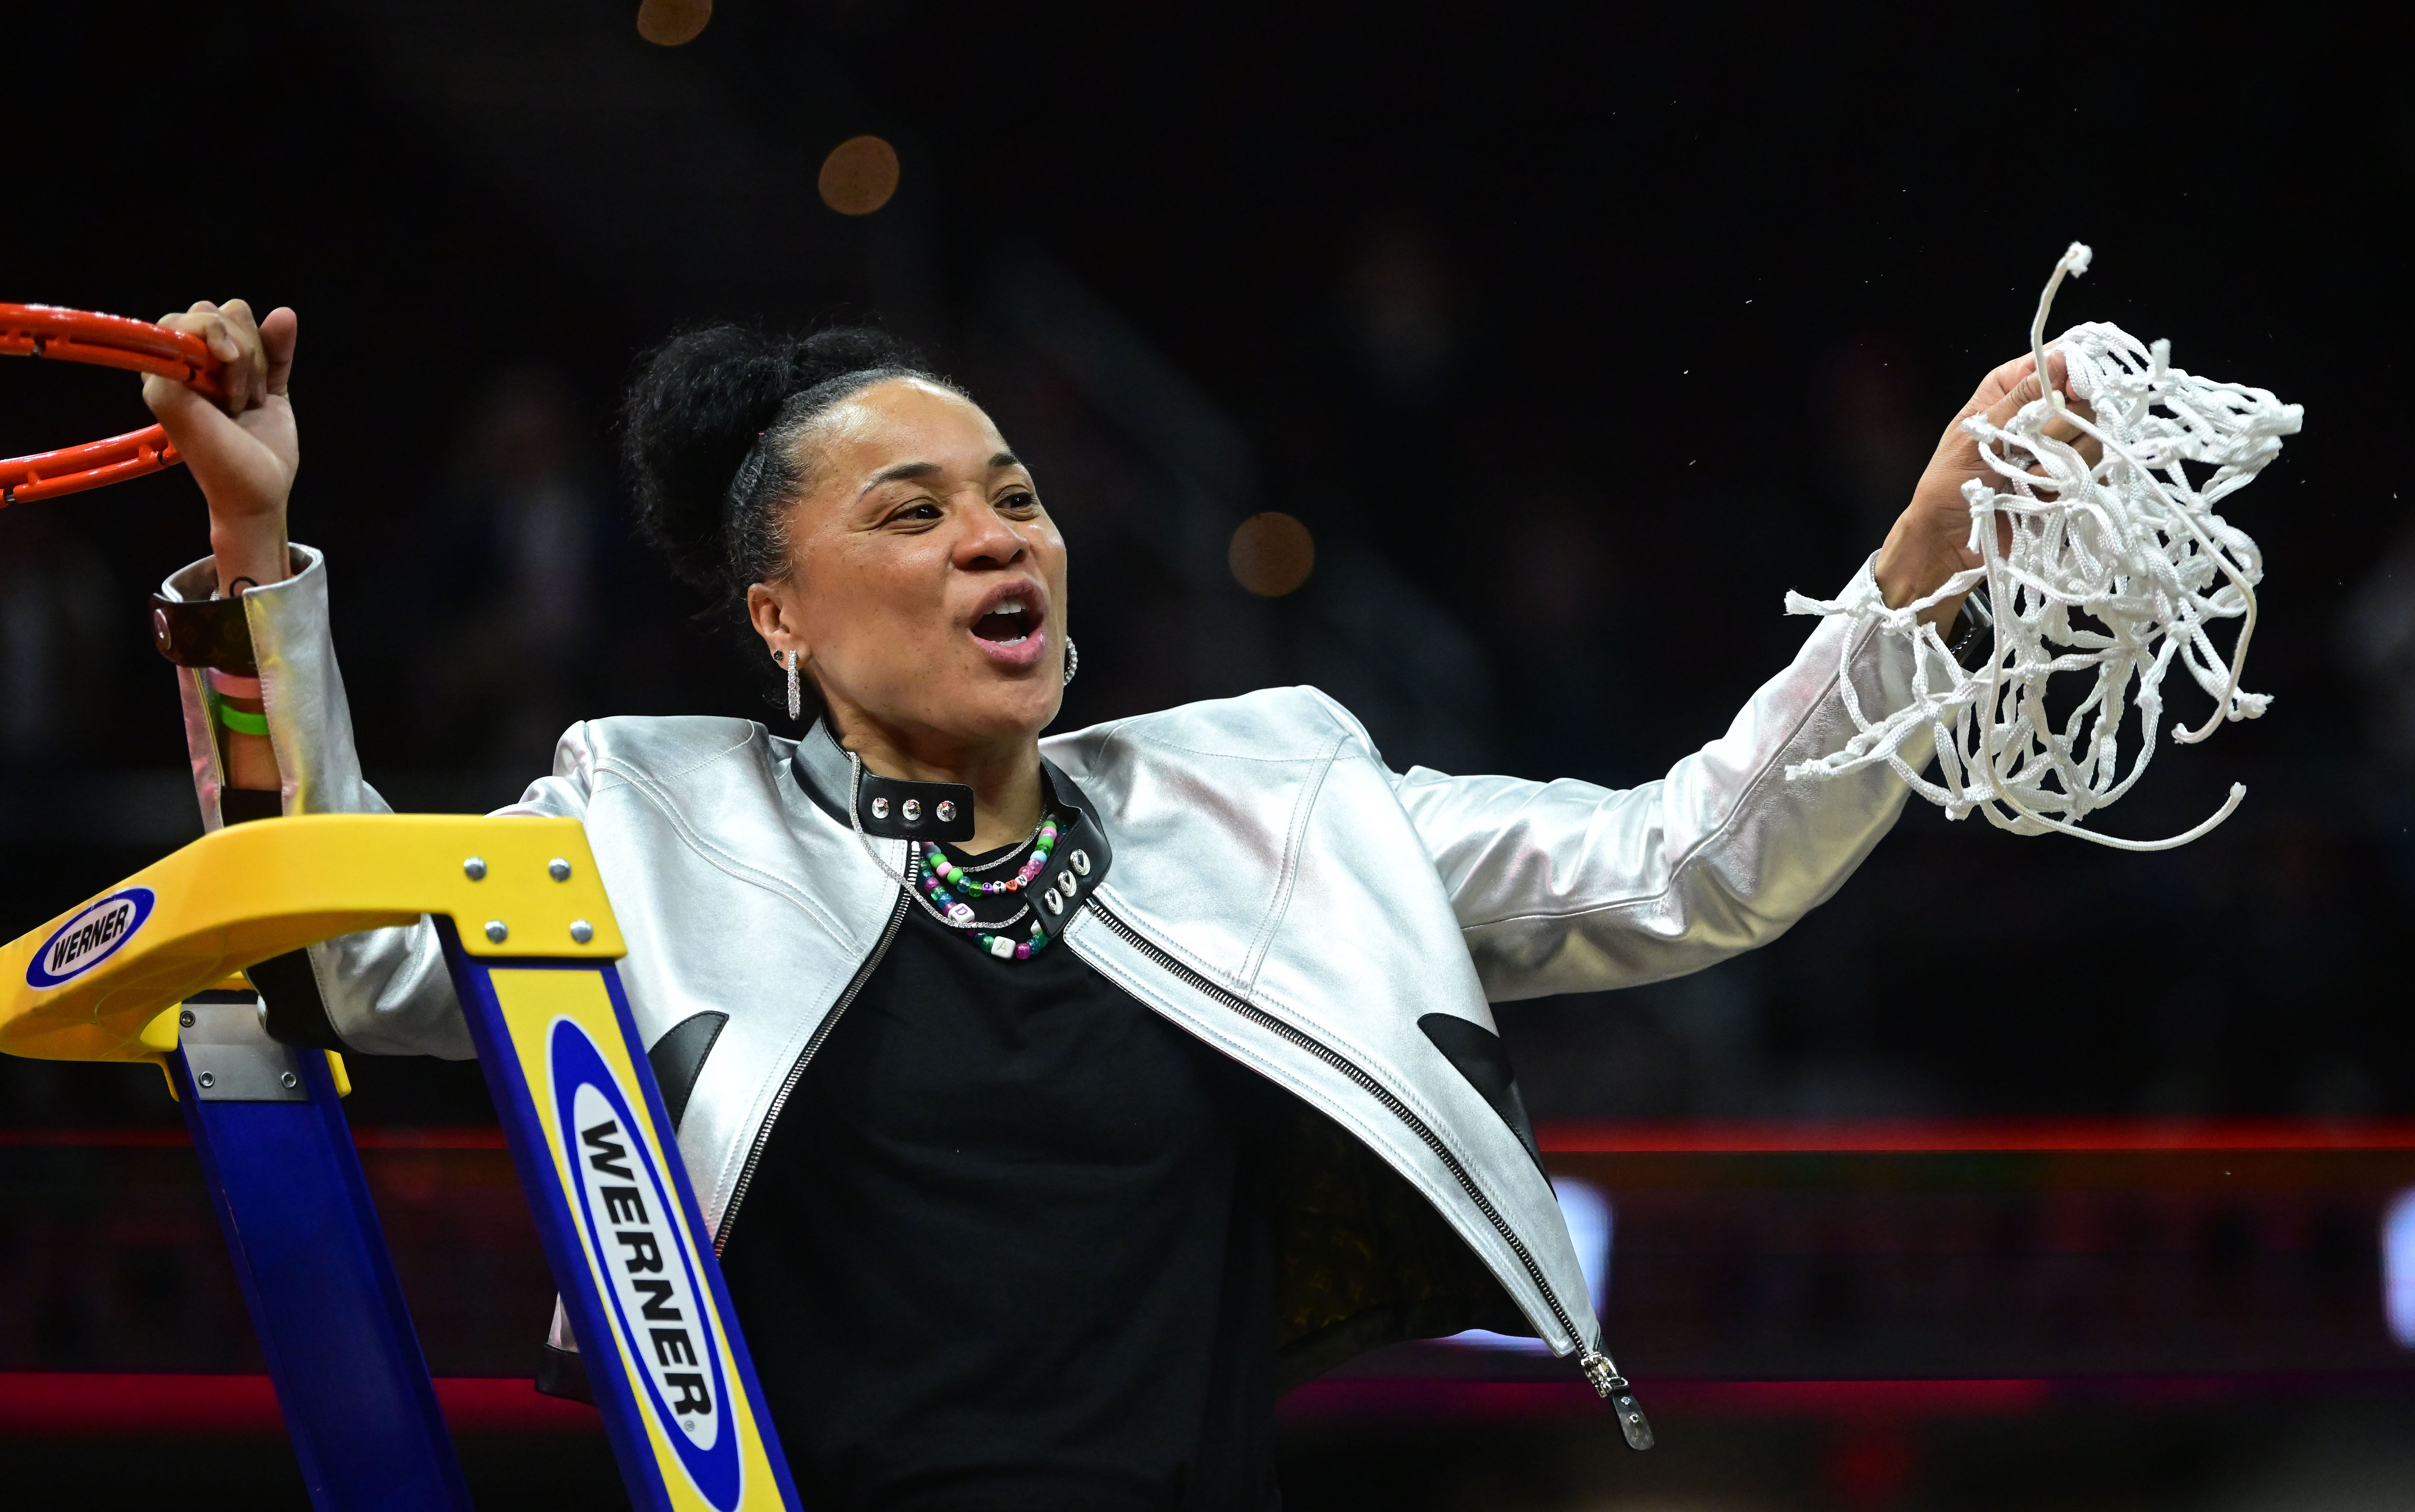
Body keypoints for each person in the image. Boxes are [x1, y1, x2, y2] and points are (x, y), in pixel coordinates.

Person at [139, 296, 2046, 1510]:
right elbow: (320, 939)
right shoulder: (644, 818)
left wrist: (1917, 572)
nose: (994, 536)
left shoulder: (1274, 802)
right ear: (778, 621)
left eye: (1016, 497)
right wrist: (251, 547)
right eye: (909, 512)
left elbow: (1685, 866)